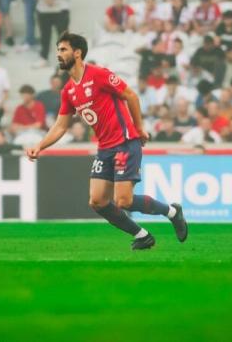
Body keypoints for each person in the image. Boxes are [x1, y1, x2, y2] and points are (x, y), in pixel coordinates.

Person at [26, 32, 188, 250]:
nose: (58, 54)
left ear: (77, 52)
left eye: (63, 49)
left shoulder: (99, 74)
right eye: (57, 50)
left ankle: (172, 212)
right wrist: (40, 146)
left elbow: (130, 95)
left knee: (124, 201)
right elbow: (61, 125)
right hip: (104, 149)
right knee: (97, 201)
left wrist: (139, 128)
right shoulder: (69, 91)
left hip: (125, 142)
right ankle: (142, 235)